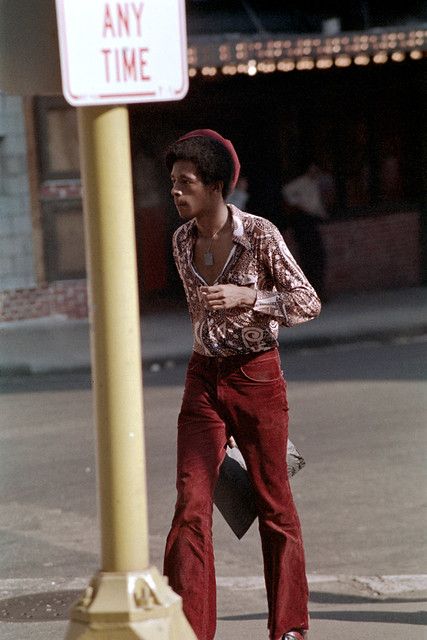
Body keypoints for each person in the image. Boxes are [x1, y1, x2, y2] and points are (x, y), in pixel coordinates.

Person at [163, 129, 321, 640]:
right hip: (202, 379)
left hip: (257, 377)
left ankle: (290, 629)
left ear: (215, 186)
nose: (176, 192)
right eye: (172, 183)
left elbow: (306, 302)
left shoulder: (260, 235)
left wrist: (248, 297)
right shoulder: (181, 240)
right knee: (190, 504)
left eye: (185, 183)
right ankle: (189, 630)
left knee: (274, 504)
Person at [282, 164, 334, 299]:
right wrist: (298, 204)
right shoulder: (301, 182)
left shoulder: (314, 183)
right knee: (309, 258)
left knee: (317, 258)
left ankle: (318, 291)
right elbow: (287, 192)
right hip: (303, 220)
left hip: (311, 219)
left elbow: (316, 204)